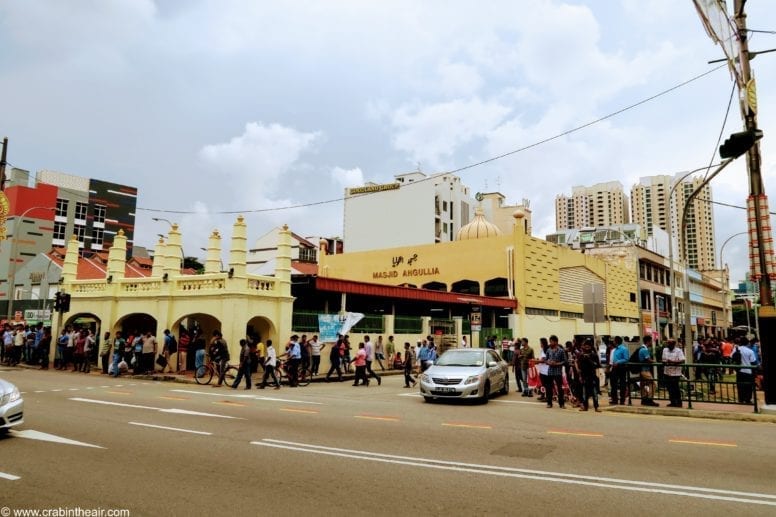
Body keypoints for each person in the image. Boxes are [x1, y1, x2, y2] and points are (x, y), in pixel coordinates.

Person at [576, 339, 601, 412]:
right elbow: (579, 367)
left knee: (594, 392)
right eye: (585, 347)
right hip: (584, 376)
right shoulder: (580, 355)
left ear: (590, 347)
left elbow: (597, 365)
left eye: (588, 347)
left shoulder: (594, 355)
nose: (586, 348)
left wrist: (589, 359)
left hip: (592, 376)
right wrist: (580, 376)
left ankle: (596, 407)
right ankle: (585, 406)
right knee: (584, 393)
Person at [542, 335, 566, 409]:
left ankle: (561, 404)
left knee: (560, 388)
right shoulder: (548, 350)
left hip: (558, 372)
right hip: (550, 371)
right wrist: (548, 362)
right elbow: (545, 360)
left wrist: (557, 363)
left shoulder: (561, 350)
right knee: (549, 388)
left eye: (551, 341)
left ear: (556, 342)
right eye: (550, 341)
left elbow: (564, 361)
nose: (550, 343)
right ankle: (549, 403)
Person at [661, 339, 685, 407]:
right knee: (669, 388)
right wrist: (665, 362)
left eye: (670, 344)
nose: (668, 345)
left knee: (675, 388)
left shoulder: (678, 351)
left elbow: (682, 360)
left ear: (673, 344)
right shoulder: (665, 350)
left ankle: (678, 402)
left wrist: (672, 362)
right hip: (667, 372)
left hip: (675, 373)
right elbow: (663, 359)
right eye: (668, 344)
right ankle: (672, 402)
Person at [638, 335, 659, 407]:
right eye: (650, 341)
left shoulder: (641, 349)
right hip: (645, 370)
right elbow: (648, 359)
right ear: (648, 341)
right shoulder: (644, 350)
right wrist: (655, 361)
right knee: (653, 384)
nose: (651, 342)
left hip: (642, 369)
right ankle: (649, 399)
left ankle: (644, 399)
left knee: (643, 384)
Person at [736, 339, 758, 404]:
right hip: (748, 371)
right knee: (748, 386)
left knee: (740, 386)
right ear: (747, 343)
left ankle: (741, 399)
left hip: (739, 370)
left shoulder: (736, 349)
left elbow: (732, 357)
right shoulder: (750, 351)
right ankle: (748, 399)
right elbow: (753, 362)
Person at [609, 336, 629, 405]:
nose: (613, 342)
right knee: (613, 384)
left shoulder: (624, 349)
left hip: (621, 367)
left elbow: (626, 359)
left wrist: (618, 362)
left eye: (614, 340)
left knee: (622, 384)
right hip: (615, 368)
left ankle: (622, 400)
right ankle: (614, 399)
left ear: (616, 341)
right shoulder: (615, 350)